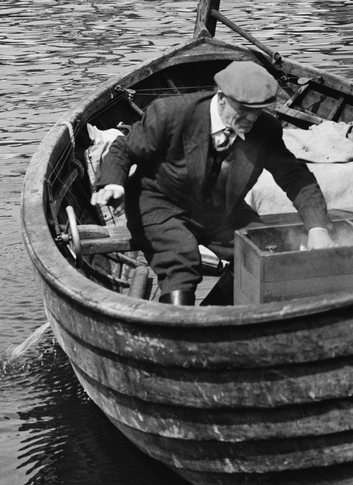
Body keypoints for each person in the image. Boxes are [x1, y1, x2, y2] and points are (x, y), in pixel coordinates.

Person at [92, 60, 334, 305]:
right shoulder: (171, 113)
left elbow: (295, 177)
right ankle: (176, 327)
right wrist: (114, 184)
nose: (251, 117)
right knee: (181, 260)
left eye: (258, 109)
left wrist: (318, 228)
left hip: (220, 212)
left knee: (265, 250)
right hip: (160, 203)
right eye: (243, 108)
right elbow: (123, 148)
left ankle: (213, 313)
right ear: (221, 97)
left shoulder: (265, 130)